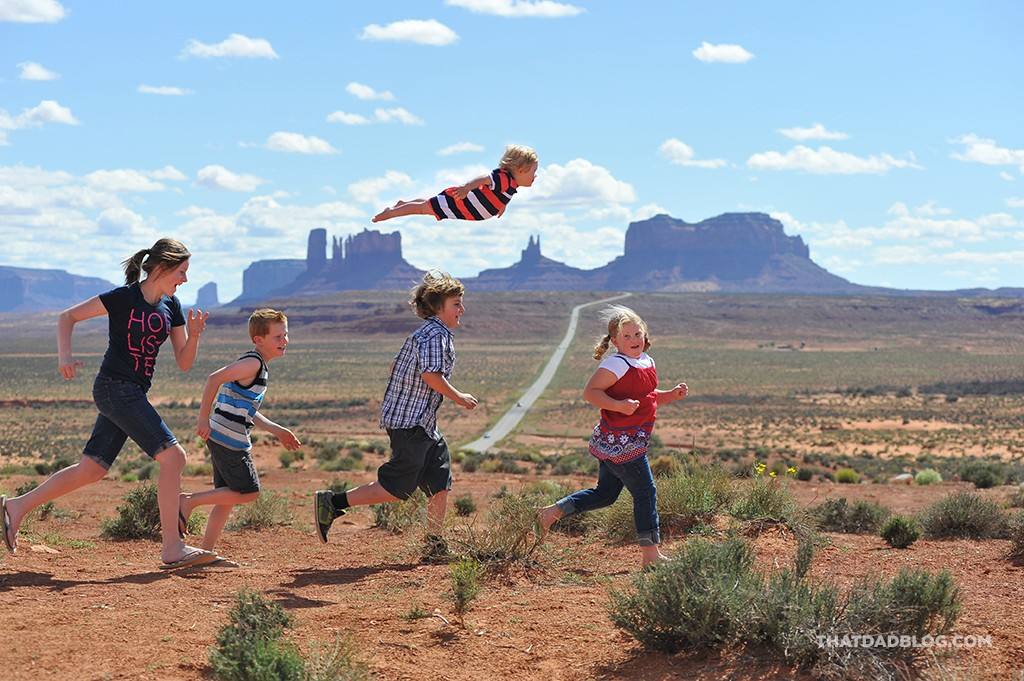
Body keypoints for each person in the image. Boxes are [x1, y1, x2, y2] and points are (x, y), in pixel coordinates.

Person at [0, 238, 215, 569]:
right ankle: (172, 546)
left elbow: (184, 362)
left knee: (92, 469)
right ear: (163, 267)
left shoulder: (172, 306)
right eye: (182, 271)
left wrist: (196, 335)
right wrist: (65, 357)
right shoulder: (125, 297)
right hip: (114, 388)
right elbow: (67, 317)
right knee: (174, 458)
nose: (185, 279)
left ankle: (15, 507)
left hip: (132, 393)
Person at [313, 271, 478, 553]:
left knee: (440, 483)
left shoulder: (427, 334)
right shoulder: (435, 336)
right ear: (439, 307)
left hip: (424, 423)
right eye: (456, 304)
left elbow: (396, 367)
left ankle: (435, 545)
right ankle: (333, 502)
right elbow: (430, 375)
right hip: (410, 424)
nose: (462, 309)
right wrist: (458, 396)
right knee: (395, 489)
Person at [536, 305, 688, 569]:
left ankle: (552, 512)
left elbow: (648, 399)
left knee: (605, 494)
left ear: (645, 335)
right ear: (615, 341)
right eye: (626, 336)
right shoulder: (617, 363)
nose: (633, 340)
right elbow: (591, 392)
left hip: (621, 442)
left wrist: (670, 395)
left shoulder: (646, 361)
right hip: (622, 445)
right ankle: (651, 557)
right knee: (645, 492)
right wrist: (618, 406)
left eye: (637, 334)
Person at [180, 308, 300, 561]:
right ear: (259, 340)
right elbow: (213, 379)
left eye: (285, 335)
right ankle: (189, 502)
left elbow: (247, 411)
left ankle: (206, 552)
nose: (285, 341)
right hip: (229, 440)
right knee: (250, 492)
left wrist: (277, 430)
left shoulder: (258, 365)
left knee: (226, 498)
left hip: (223, 436)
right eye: (278, 337)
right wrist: (202, 418)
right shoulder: (253, 363)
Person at [371, 145, 537, 223]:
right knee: (423, 209)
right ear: (521, 169)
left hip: (465, 207)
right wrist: (466, 188)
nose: (535, 176)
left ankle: (404, 204)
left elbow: (498, 194)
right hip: (461, 203)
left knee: (429, 204)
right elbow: (484, 179)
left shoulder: (510, 184)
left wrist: (501, 205)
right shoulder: (504, 179)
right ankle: (392, 212)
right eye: (533, 172)